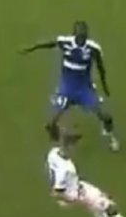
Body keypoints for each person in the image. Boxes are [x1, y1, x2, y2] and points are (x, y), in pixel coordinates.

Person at [22, 20, 119, 151]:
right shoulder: (65, 42)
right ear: (74, 34)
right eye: (80, 36)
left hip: (84, 89)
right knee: (50, 123)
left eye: (84, 36)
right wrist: (31, 48)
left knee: (106, 116)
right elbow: (49, 44)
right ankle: (59, 144)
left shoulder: (93, 49)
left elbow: (101, 68)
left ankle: (111, 137)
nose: (82, 39)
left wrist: (105, 87)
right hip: (66, 88)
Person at [46, 131, 126, 217]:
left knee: (99, 207)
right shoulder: (66, 169)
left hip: (77, 185)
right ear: (69, 146)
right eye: (74, 145)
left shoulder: (53, 153)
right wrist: (63, 201)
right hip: (76, 195)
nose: (76, 148)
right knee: (109, 206)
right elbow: (57, 190)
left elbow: (52, 174)